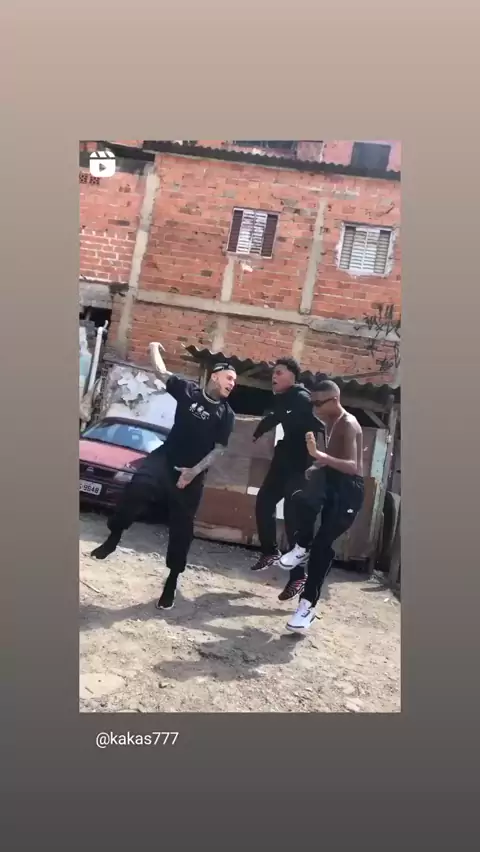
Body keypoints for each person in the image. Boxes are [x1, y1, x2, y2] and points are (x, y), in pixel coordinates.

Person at [91, 343, 236, 610]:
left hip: (193, 474)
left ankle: (171, 582)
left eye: (235, 381)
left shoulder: (226, 414)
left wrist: (193, 472)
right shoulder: (188, 391)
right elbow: (160, 371)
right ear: (215, 376)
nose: (232, 384)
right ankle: (114, 537)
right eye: (229, 378)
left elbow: (219, 449)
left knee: (182, 530)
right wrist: (153, 348)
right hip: (165, 459)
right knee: (138, 487)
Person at [277, 380, 365, 634]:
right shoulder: (328, 422)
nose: (314, 408)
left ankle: (307, 606)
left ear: (334, 400)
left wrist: (318, 455)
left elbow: (353, 466)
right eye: (312, 403)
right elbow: (333, 459)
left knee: (322, 547)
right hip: (332, 481)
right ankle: (301, 546)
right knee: (300, 498)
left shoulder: (348, 424)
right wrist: (317, 466)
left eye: (318, 403)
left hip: (349, 490)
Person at [250, 358, 323, 603]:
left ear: (293, 376)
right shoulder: (282, 399)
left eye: (279, 372)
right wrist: (259, 430)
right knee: (263, 502)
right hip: (282, 462)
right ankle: (270, 551)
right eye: (274, 373)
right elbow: (275, 416)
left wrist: (320, 456)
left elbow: (320, 424)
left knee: (292, 522)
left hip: (300, 467)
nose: (274, 376)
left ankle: (298, 577)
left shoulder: (302, 398)